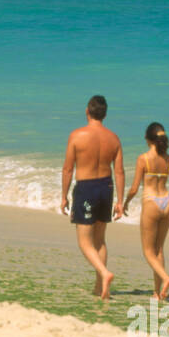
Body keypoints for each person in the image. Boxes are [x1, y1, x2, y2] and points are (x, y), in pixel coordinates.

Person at [61, 94, 124, 300]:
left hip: (86, 188)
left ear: (87, 112)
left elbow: (68, 168)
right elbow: (120, 172)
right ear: (104, 115)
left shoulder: (77, 135)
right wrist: (120, 201)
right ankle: (100, 288)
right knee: (100, 240)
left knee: (84, 242)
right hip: (106, 187)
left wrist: (64, 196)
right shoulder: (114, 139)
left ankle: (104, 274)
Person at [121, 122, 169, 301]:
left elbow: (134, 188)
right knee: (159, 249)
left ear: (148, 139)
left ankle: (166, 278)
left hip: (151, 202)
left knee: (148, 251)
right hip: (167, 203)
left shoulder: (143, 159)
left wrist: (125, 202)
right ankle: (158, 292)